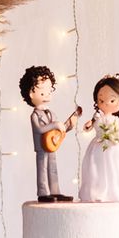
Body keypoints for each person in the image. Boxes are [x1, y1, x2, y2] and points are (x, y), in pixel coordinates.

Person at [20, 65, 82, 202]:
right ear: (31, 94)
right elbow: (39, 129)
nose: (47, 95)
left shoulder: (51, 113)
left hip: (51, 145)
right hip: (41, 147)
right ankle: (43, 192)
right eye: (42, 93)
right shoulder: (35, 115)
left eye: (49, 91)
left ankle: (55, 191)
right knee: (42, 168)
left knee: (53, 168)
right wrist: (55, 125)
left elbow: (57, 131)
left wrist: (69, 126)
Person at [77, 73, 119, 204]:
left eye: (111, 100)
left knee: (115, 168)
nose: (105, 104)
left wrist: (116, 137)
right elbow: (90, 126)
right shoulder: (97, 117)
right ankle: (97, 190)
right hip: (98, 146)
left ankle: (115, 190)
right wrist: (88, 125)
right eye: (101, 101)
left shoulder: (116, 120)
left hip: (115, 146)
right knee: (97, 169)